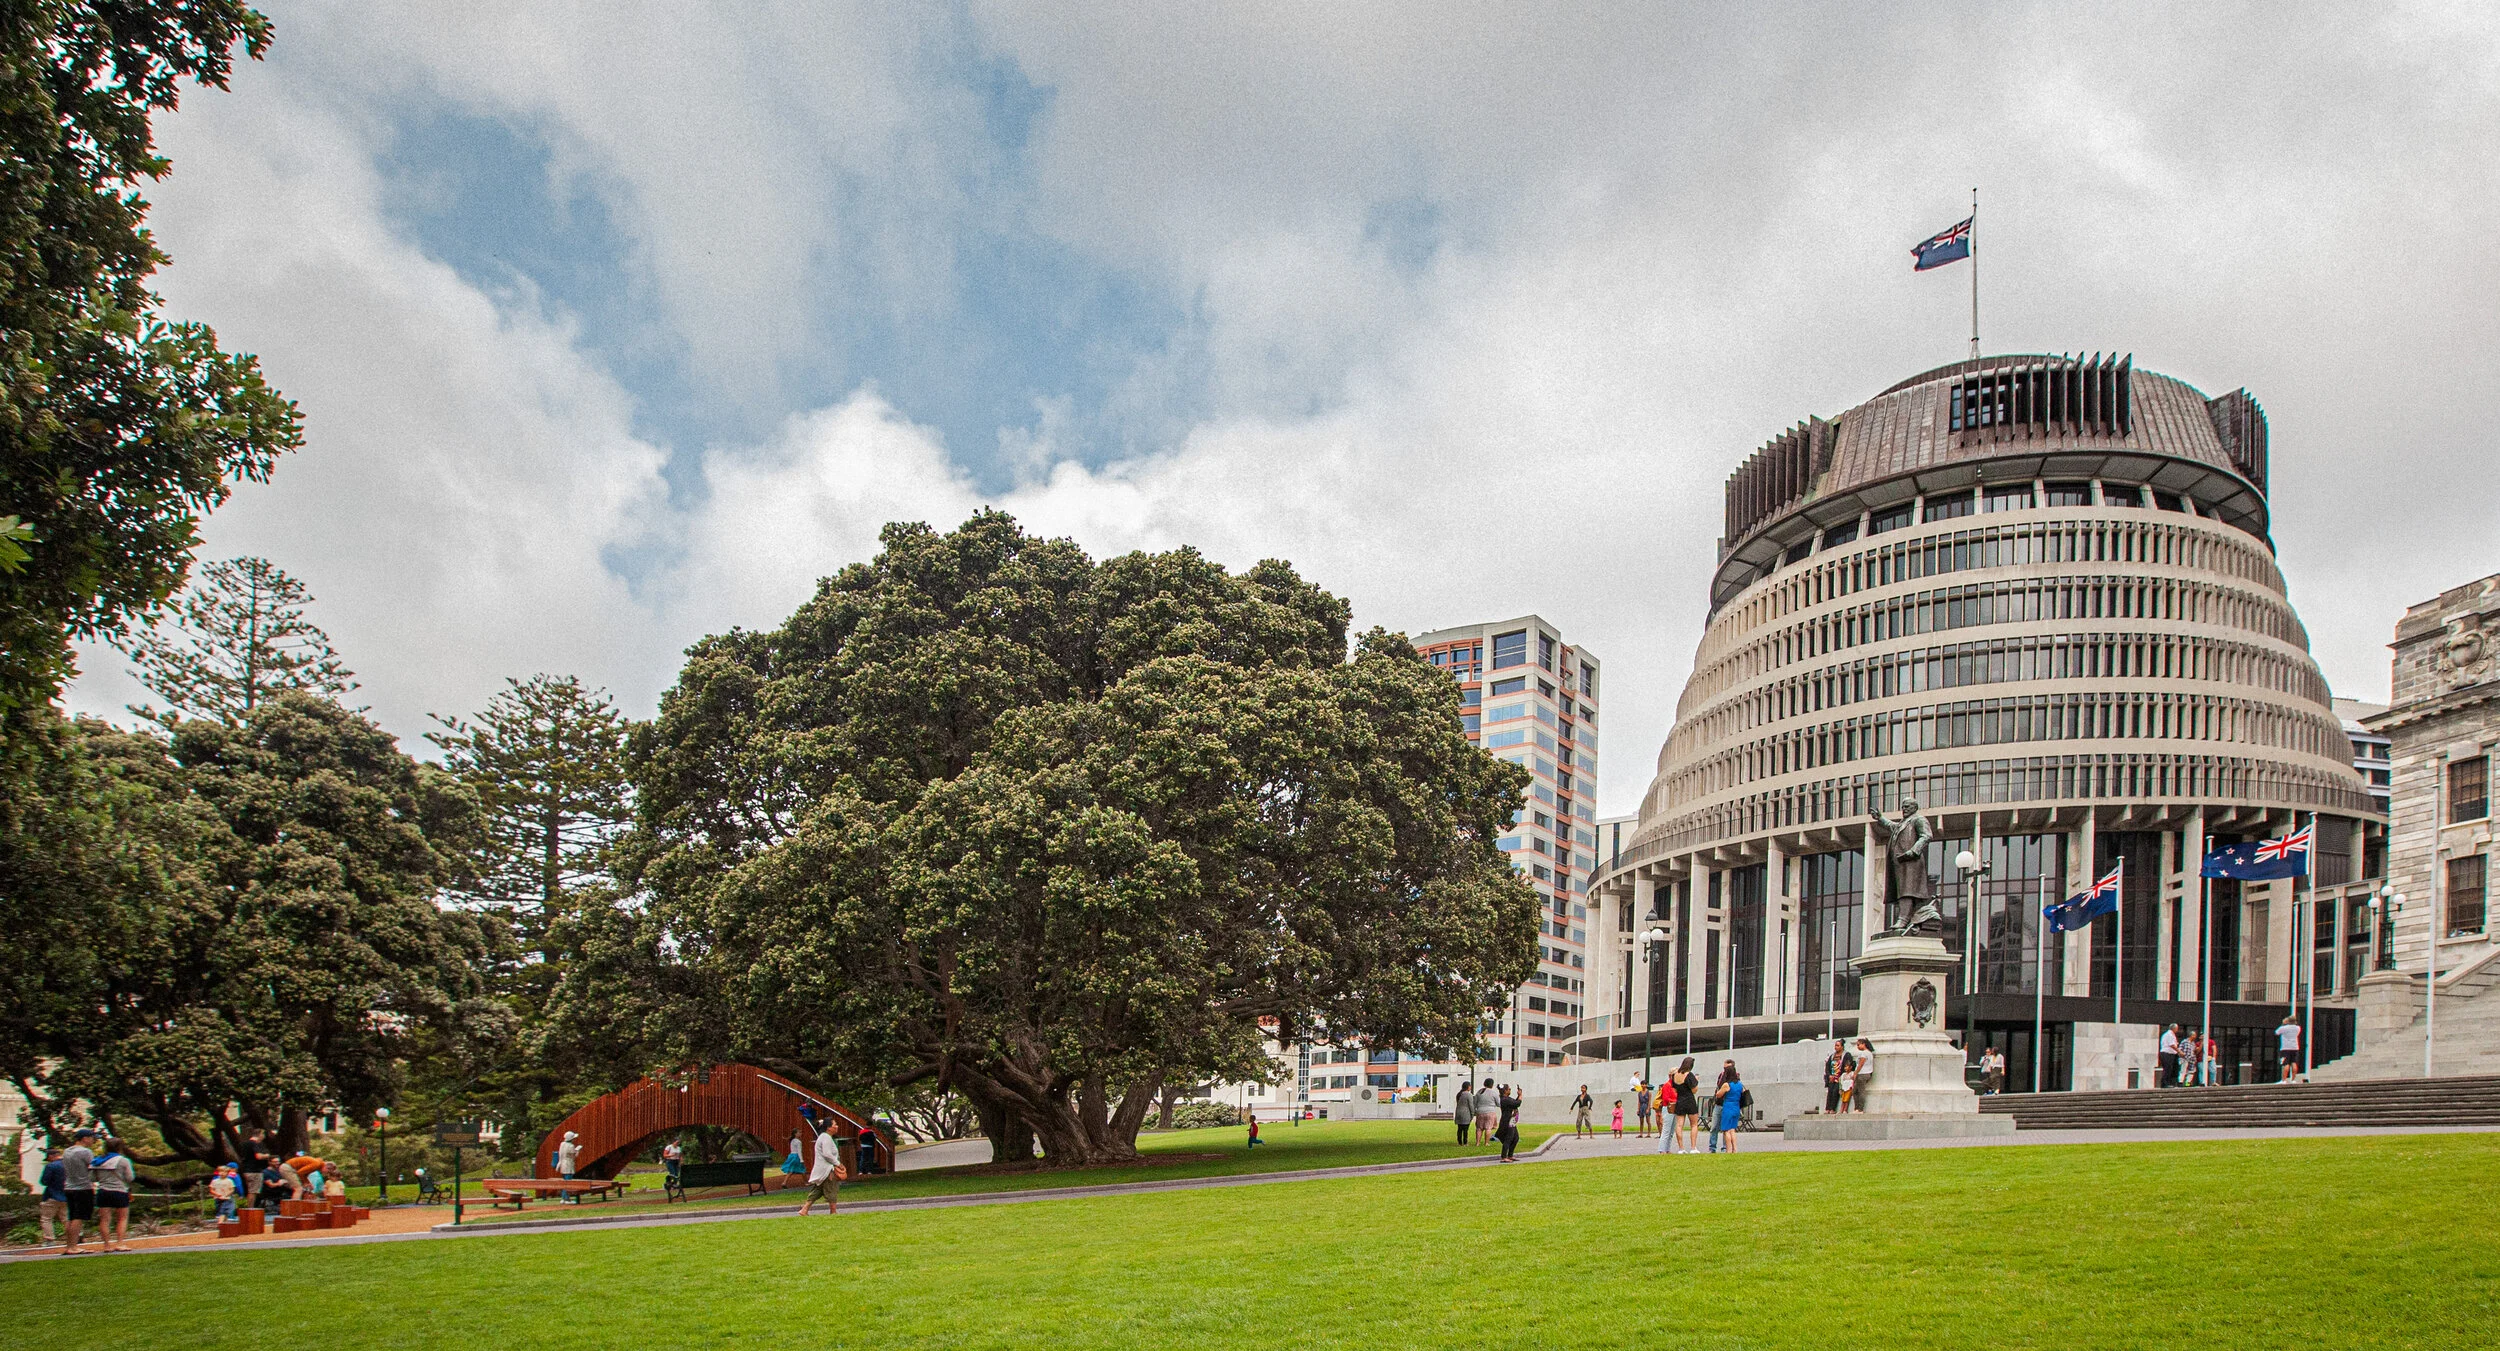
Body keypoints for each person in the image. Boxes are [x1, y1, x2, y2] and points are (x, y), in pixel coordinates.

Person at [91, 1136, 135, 1252]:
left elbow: (92, 1177)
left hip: (103, 1191)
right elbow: (130, 1178)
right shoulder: (123, 1161)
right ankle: (119, 1243)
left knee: (104, 1219)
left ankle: (106, 1245)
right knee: (122, 1218)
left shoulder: (98, 1161)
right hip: (119, 1191)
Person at [59, 1128, 97, 1254]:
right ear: (85, 1138)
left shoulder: (67, 1151)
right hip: (83, 1187)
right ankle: (73, 1246)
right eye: (92, 1137)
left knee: (71, 1216)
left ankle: (69, 1245)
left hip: (69, 1187)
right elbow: (93, 1168)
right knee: (78, 1217)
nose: (93, 1140)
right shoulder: (85, 1152)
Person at [797, 1121, 845, 1216]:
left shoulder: (824, 1137)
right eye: (835, 1124)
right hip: (827, 1169)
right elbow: (827, 1154)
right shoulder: (826, 1138)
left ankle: (804, 1209)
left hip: (822, 1169)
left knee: (818, 1190)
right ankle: (833, 1211)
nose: (837, 1126)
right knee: (831, 1188)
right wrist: (838, 1164)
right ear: (828, 1127)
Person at [1668, 1057, 1703, 1154]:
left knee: (1679, 1125)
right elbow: (1694, 1090)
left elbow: (1674, 1090)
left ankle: (1681, 1148)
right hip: (1689, 1100)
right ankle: (1693, 1147)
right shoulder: (1689, 1075)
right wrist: (1696, 1080)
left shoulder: (1675, 1075)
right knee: (1694, 1124)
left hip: (1680, 1100)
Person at [1714, 1069, 1750, 1153]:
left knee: (1726, 1130)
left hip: (1728, 1107)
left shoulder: (1727, 1084)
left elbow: (1718, 1094)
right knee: (1733, 1129)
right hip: (1736, 1107)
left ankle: (1729, 1149)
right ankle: (1735, 1149)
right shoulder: (1739, 1084)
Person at [1494, 1084, 1523, 1162]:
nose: (1510, 1090)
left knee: (1515, 1138)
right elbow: (1517, 1103)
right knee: (1508, 1139)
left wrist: (1518, 1096)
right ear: (1505, 1091)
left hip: (1511, 1120)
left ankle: (1510, 1155)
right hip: (1507, 1121)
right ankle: (1504, 1157)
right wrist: (1520, 1095)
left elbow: (1514, 1102)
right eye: (1509, 1089)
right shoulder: (1504, 1099)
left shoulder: (1507, 1099)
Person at [556, 1130, 583, 1203]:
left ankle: (563, 1198)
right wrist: (577, 1150)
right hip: (568, 1165)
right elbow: (574, 1156)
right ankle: (566, 1198)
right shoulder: (571, 1146)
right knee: (568, 1182)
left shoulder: (562, 1144)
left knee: (565, 1182)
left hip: (562, 1164)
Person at [1823, 1040, 1848, 1114]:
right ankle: (1827, 1108)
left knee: (1835, 1092)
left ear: (1842, 1047)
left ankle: (1833, 1108)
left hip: (1839, 1078)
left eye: (1838, 1045)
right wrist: (1829, 1075)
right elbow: (1827, 1067)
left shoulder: (1846, 1055)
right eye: (1835, 1045)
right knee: (1830, 1092)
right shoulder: (1832, 1056)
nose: (1836, 1047)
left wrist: (1840, 1076)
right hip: (1831, 1078)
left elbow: (1847, 1066)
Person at [1473, 1079, 1500, 1146]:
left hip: (1480, 1111)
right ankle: (1486, 1143)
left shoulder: (1479, 1092)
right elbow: (1498, 1103)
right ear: (1492, 1084)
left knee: (1479, 1128)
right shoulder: (1493, 1093)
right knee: (1488, 1128)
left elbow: (1474, 1102)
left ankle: (1477, 1143)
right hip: (1490, 1112)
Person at [2276, 1014, 2303, 1082]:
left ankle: (2284, 1080)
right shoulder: (2298, 1028)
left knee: (2285, 1064)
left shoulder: (2284, 1028)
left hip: (2285, 1047)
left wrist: (2283, 1024)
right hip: (2295, 1047)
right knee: (2294, 1062)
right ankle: (2293, 1079)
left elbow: (2277, 1033)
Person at [2159, 1023, 2181, 1088]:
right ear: (2174, 1028)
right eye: (2177, 1028)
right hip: (2167, 1053)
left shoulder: (2169, 1035)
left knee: (2171, 1068)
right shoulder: (2169, 1035)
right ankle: (2165, 1083)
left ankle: (2169, 1082)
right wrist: (2179, 1051)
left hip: (2170, 1053)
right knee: (2167, 1068)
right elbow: (2172, 1045)